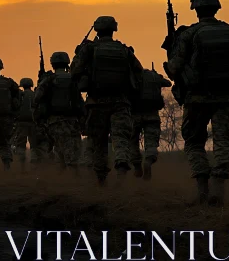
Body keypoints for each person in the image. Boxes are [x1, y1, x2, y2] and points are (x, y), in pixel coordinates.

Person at [165, 0, 229, 205]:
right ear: (217, 8)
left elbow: (175, 67)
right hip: (226, 97)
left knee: (194, 142)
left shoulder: (189, 35)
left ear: (195, 10)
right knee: (224, 140)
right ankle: (220, 187)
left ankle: (202, 188)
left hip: (196, 98)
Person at [71, 16, 143, 185]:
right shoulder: (124, 50)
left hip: (96, 103)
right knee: (121, 139)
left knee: (99, 142)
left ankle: (101, 180)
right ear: (114, 29)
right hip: (121, 102)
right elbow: (139, 73)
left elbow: (74, 72)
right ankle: (121, 171)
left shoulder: (90, 49)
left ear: (96, 30)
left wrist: (79, 53)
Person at [33, 52, 84, 172]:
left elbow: (37, 98)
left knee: (60, 150)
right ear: (67, 63)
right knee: (72, 150)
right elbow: (79, 101)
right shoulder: (73, 79)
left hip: (54, 121)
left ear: (53, 64)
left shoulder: (48, 80)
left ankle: (62, 178)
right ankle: (72, 178)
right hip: (73, 120)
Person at [129, 68, 172, 180]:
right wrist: (158, 75)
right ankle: (148, 161)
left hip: (134, 115)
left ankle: (137, 165)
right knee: (151, 143)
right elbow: (168, 83)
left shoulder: (132, 76)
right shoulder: (154, 77)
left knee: (132, 142)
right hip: (152, 115)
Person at [13, 78, 40, 171]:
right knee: (34, 145)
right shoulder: (35, 94)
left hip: (21, 123)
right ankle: (34, 166)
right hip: (34, 123)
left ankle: (22, 166)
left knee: (20, 145)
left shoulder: (20, 95)